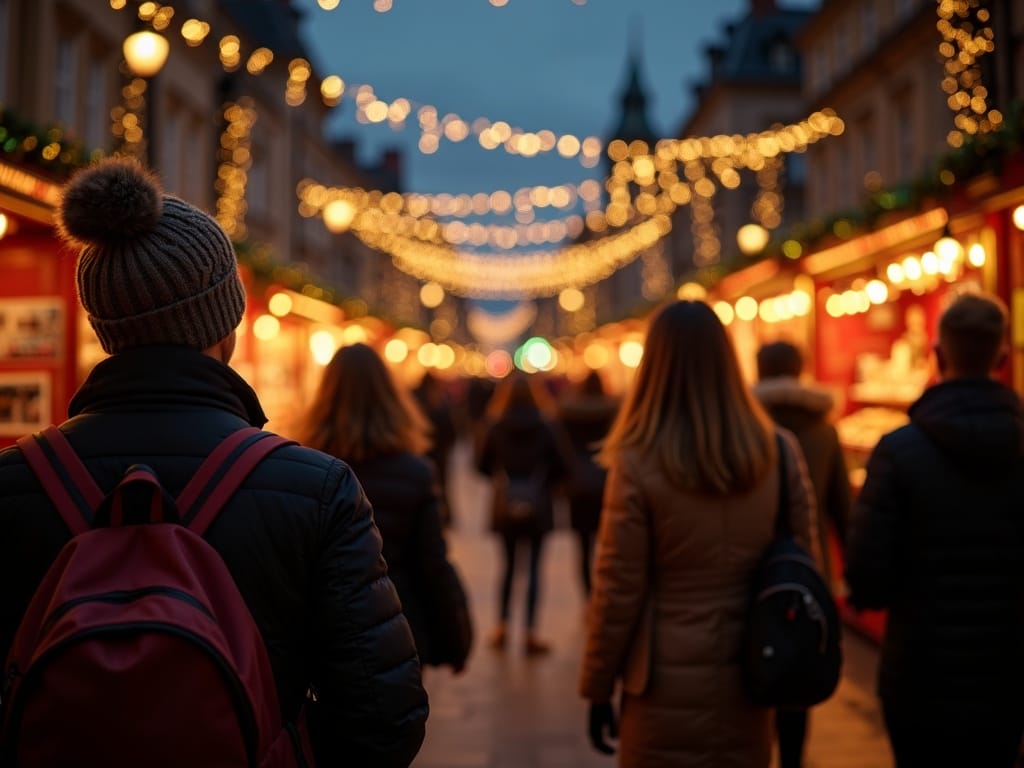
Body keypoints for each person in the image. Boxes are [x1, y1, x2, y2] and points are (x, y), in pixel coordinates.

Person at [0, 158, 428, 767]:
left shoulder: (15, 483)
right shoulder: (315, 488)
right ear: (225, 321)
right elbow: (385, 716)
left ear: (105, 327)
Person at [579, 299, 817, 768]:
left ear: (654, 367)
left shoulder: (638, 460)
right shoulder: (777, 451)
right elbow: (807, 564)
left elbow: (617, 590)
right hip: (753, 670)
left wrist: (598, 686)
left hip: (662, 683)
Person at [845, 291, 1024, 768]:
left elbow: (866, 576)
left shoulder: (898, 452)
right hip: (1008, 673)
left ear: (937, 355)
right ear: (1002, 359)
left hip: (920, 672)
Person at [297, 342, 473, 676]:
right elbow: (431, 565)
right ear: (390, 397)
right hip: (399, 630)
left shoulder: (302, 469)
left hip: (323, 635)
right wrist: (454, 638)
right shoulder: (415, 473)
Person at [753, 340, 852, 768]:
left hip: (755, 570)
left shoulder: (746, 426)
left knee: (759, 667)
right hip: (809, 570)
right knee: (799, 672)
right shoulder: (824, 429)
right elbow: (842, 509)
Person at [475, 371, 570, 656]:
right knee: (534, 570)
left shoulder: (495, 425)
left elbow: (479, 464)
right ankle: (530, 632)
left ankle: (502, 626)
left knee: (507, 566)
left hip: (505, 504)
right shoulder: (547, 426)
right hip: (539, 505)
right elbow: (564, 465)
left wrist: (503, 479)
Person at [556, 370, 619, 597]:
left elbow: (561, 450)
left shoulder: (568, 413)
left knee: (583, 546)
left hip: (578, 485)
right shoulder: (613, 412)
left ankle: (588, 595)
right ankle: (603, 592)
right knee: (609, 545)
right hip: (607, 484)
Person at [412, 371, 459, 526]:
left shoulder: (413, 402)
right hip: (439, 454)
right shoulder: (440, 403)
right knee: (441, 485)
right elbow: (451, 431)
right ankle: (443, 515)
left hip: (417, 454)